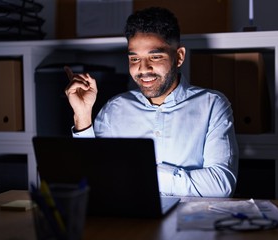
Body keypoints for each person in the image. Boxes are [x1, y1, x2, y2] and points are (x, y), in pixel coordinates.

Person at [64, 7, 239, 197]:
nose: (143, 69)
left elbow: (220, 185)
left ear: (179, 57)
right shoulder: (114, 109)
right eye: (134, 58)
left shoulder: (212, 105)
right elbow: (91, 177)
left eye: (155, 57)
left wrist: (139, 174)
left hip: (187, 222)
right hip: (129, 221)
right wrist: (82, 115)